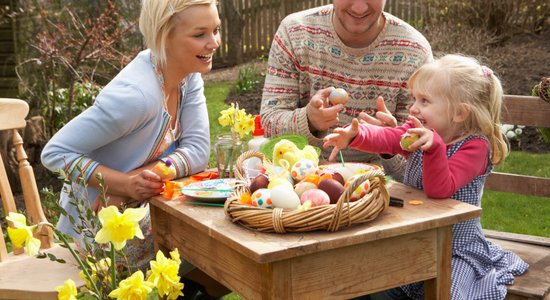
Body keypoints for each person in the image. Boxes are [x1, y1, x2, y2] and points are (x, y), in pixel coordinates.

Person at [41, 0, 229, 298]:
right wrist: (124, 184)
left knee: (222, 248)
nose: (214, 42)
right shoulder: (136, 97)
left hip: (142, 211)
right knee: (220, 253)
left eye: (216, 30)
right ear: (164, 34)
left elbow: (198, 150)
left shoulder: (187, 75)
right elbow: (54, 153)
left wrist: (143, 175)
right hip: (97, 231)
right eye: (200, 34)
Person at [323, 54, 528, 299]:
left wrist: (434, 148)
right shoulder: (418, 132)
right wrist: (355, 135)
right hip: (413, 239)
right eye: (414, 98)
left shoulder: (475, 147)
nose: (413, 108)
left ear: (459, 113)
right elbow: (388, 137)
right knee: (369, 282)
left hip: (453, 249)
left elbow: (440, 189)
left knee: (448, 293)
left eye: (425, 100)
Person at [260, 0, 433, 178]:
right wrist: (310, 121)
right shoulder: (295, 32)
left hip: (377, 187)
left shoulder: (415, 52)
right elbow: (269, 122)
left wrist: (389, 143)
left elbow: (420, 167)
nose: (359, 8)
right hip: (300, 179)